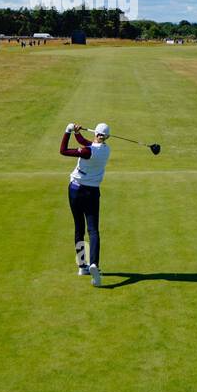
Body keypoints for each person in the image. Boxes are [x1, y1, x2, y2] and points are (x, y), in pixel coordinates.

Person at [60, 122, 111, 287]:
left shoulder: (88, 150)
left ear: (95, 133)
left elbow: (63, 150)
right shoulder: (106, 150)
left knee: (79, 228)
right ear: (107, 137)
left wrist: (68, 131)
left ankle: (82, 266)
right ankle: (94, 263)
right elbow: (87, 143)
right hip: (92, 193)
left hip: (75, 190)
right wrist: (77, 133)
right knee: (93, 230)